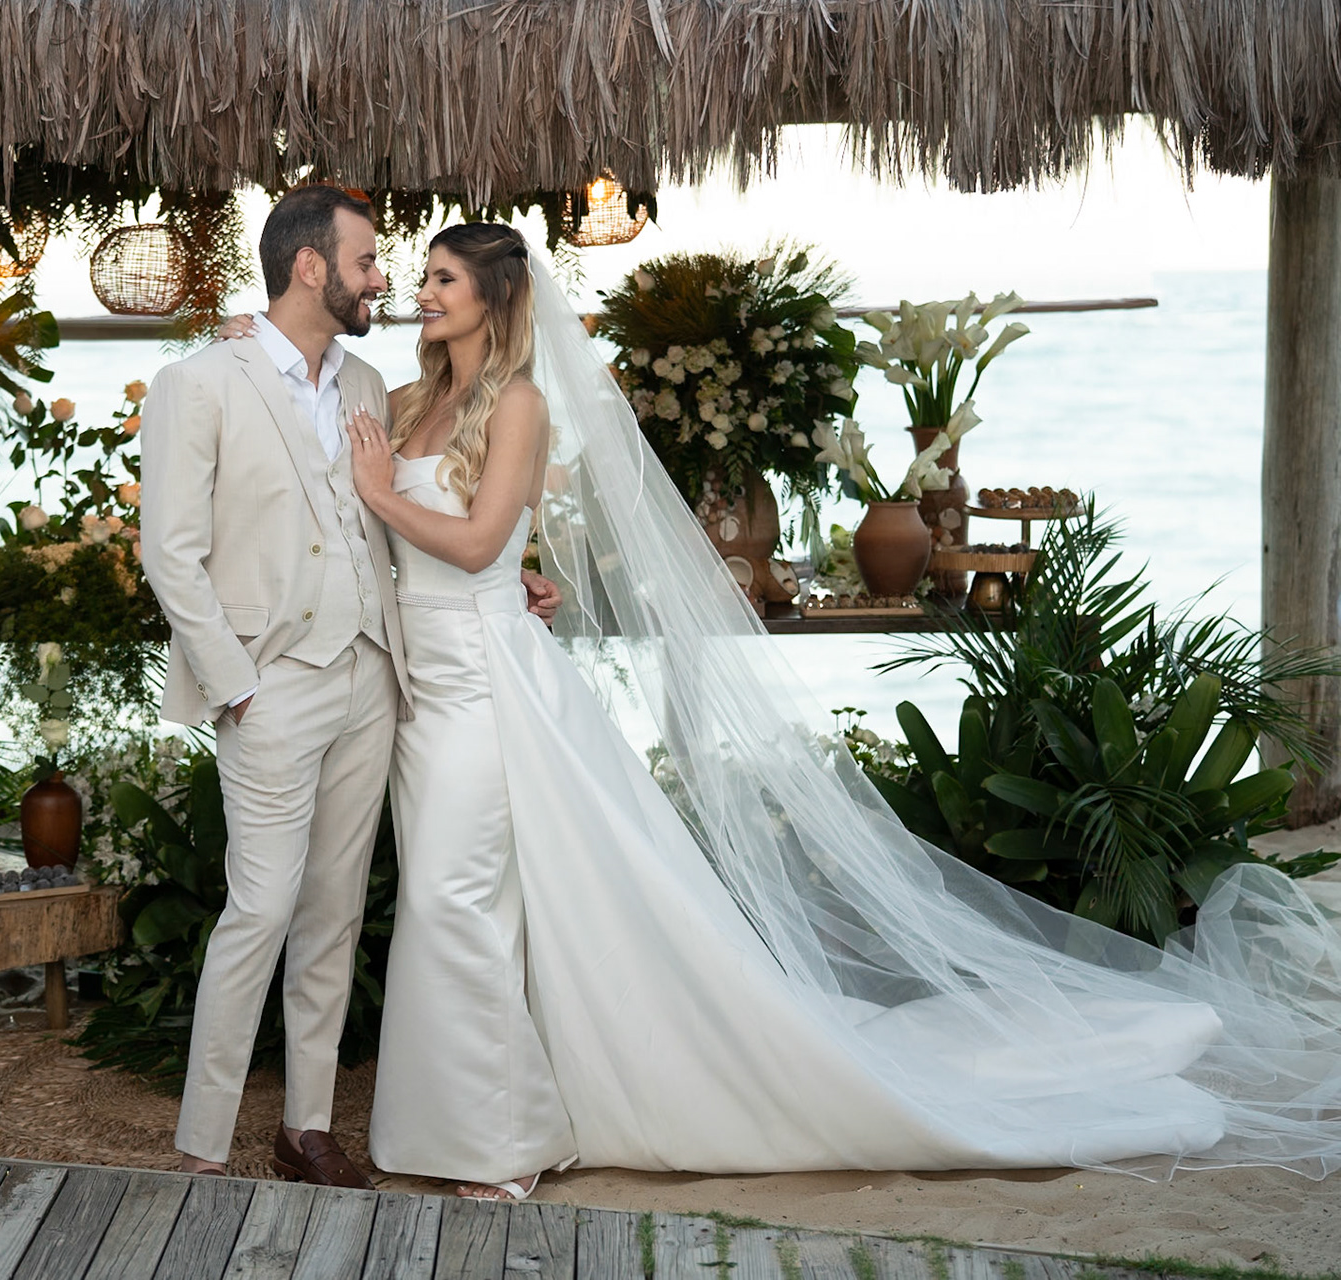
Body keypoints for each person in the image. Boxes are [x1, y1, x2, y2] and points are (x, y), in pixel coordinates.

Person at [228, 220, 1341, 1200]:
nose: (423, 293)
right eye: (418, 276)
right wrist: (257, 353)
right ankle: (476, 1114)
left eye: (443, 281)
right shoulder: (414, 398)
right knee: (453, 895)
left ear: (497, 300)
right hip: (418, 686)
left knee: (458, 897)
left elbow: (472, 539)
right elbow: (376, 499)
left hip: (484, 683)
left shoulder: (517, 403)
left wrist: (444, 534)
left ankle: (503, 1136)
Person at [139, 189, 559, 1188]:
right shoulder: (198, 380)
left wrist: (521, 575)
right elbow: (172, 553)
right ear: (314, 268)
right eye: (370, 261)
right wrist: (237, 685)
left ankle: (308, 1126)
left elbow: (420, 515)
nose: (388, 280)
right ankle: (202, 1140)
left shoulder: (377, 385)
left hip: (379, 676)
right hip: (271, 683)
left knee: (332, 910)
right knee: (260, 907)